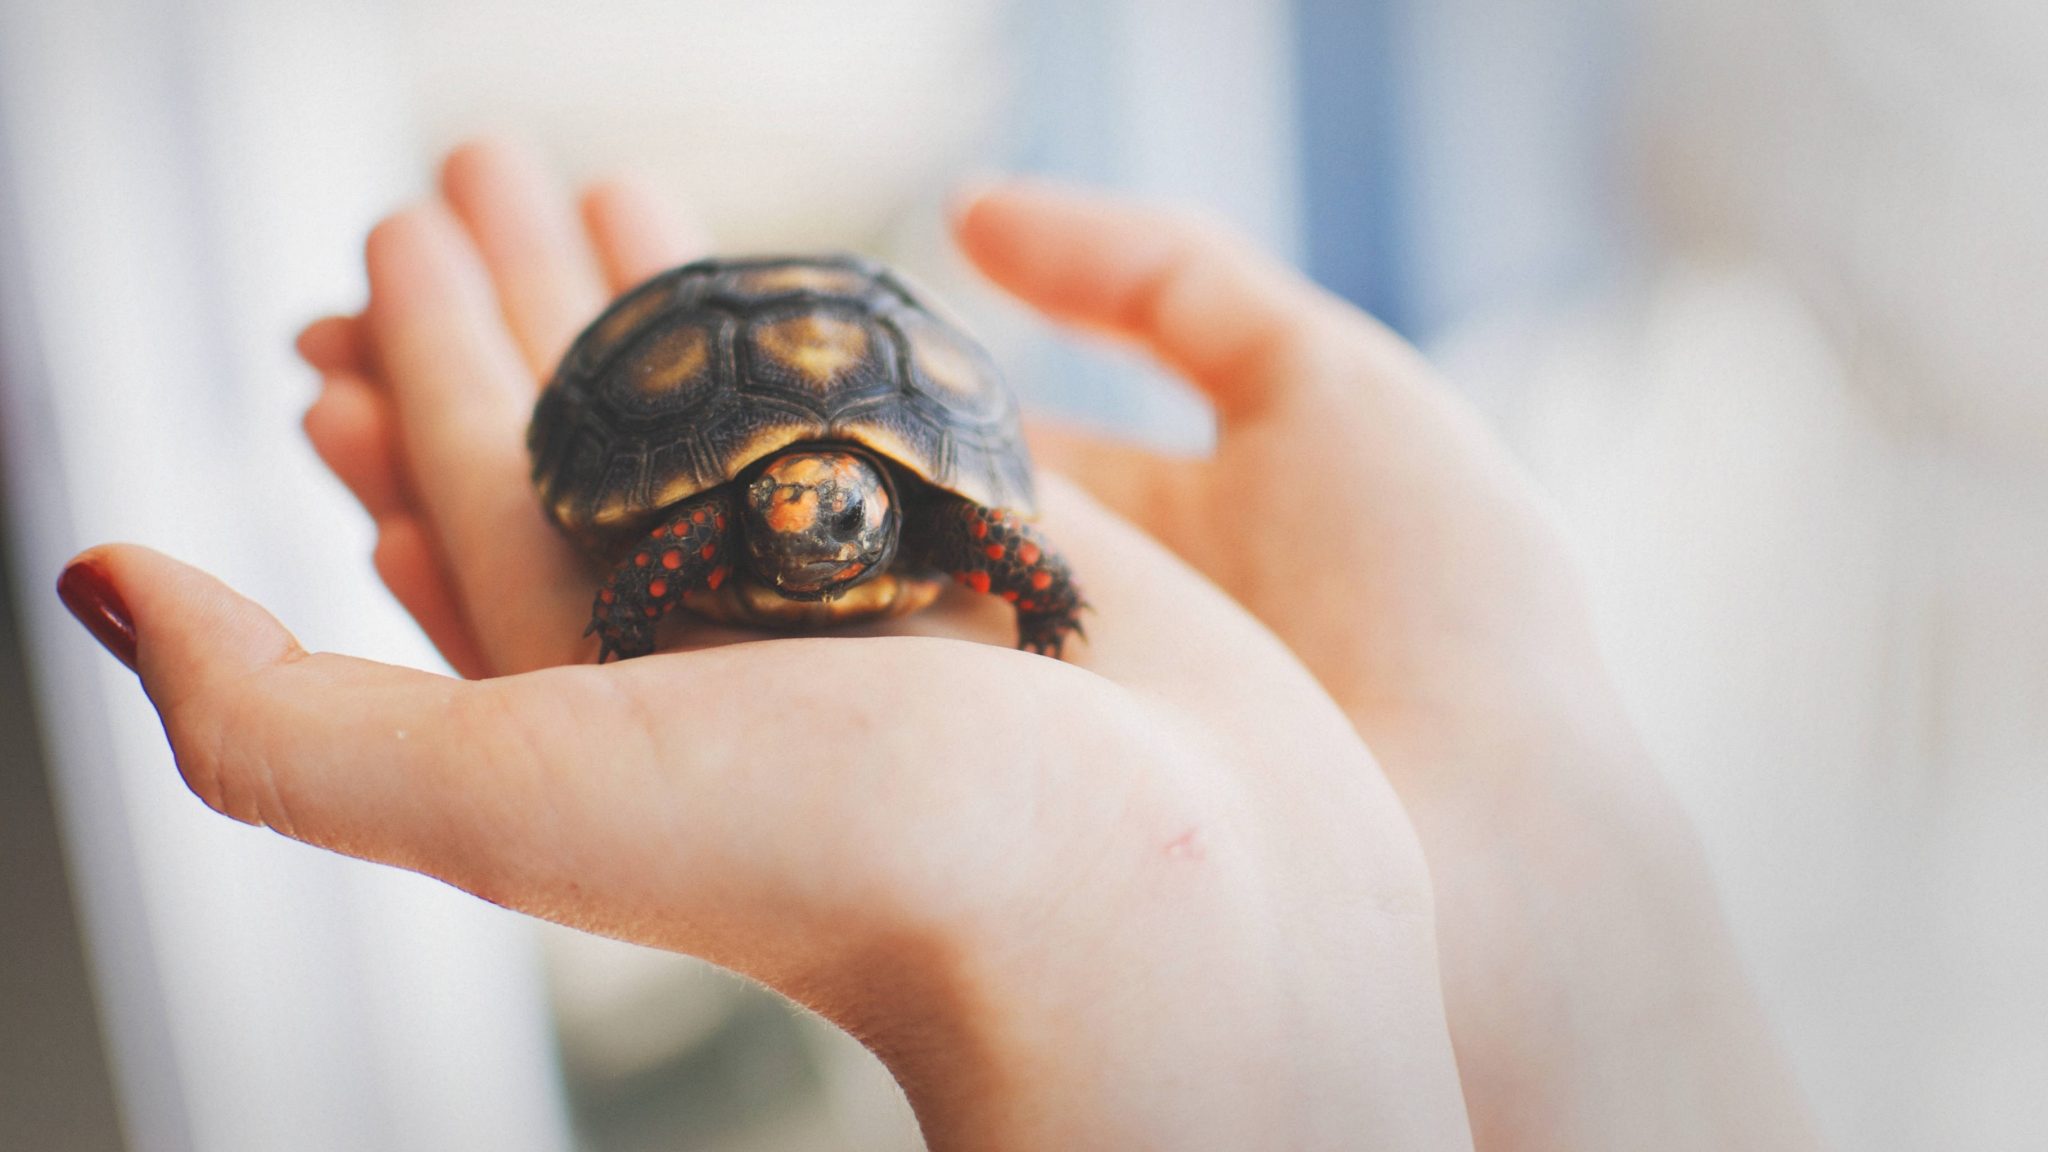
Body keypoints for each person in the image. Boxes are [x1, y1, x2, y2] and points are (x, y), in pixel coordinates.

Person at [56, 140, 1817, 1151]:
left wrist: (1535, 848)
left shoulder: (939, 525)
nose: (816, 522)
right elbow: (684, 534)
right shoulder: (716, 520)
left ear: (885, 517)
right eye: (791, 514)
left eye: (840, 513)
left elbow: (1000, 542)